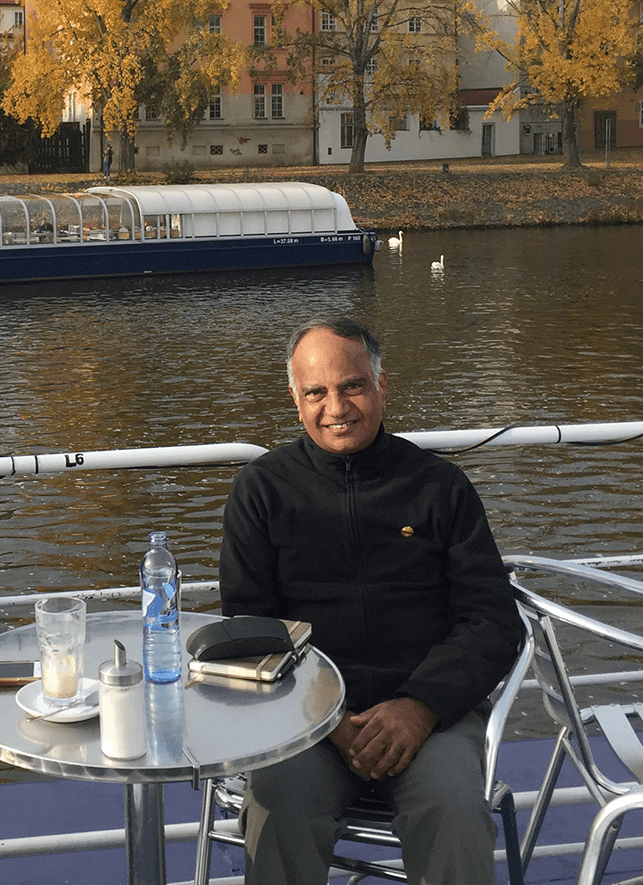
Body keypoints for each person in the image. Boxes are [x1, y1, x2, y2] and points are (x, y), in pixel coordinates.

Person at [219, 318, 521, 885]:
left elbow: (492, 621)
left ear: (383, 385)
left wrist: (419, 707)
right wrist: (328, 719)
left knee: (455, 808)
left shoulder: (440, 487)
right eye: (316, 392)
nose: (337, 406)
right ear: (296, 398)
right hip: (304, 725)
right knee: (279, 808)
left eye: (352, 385)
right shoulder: (261, 492)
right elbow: (250, 630)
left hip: (431, 720)